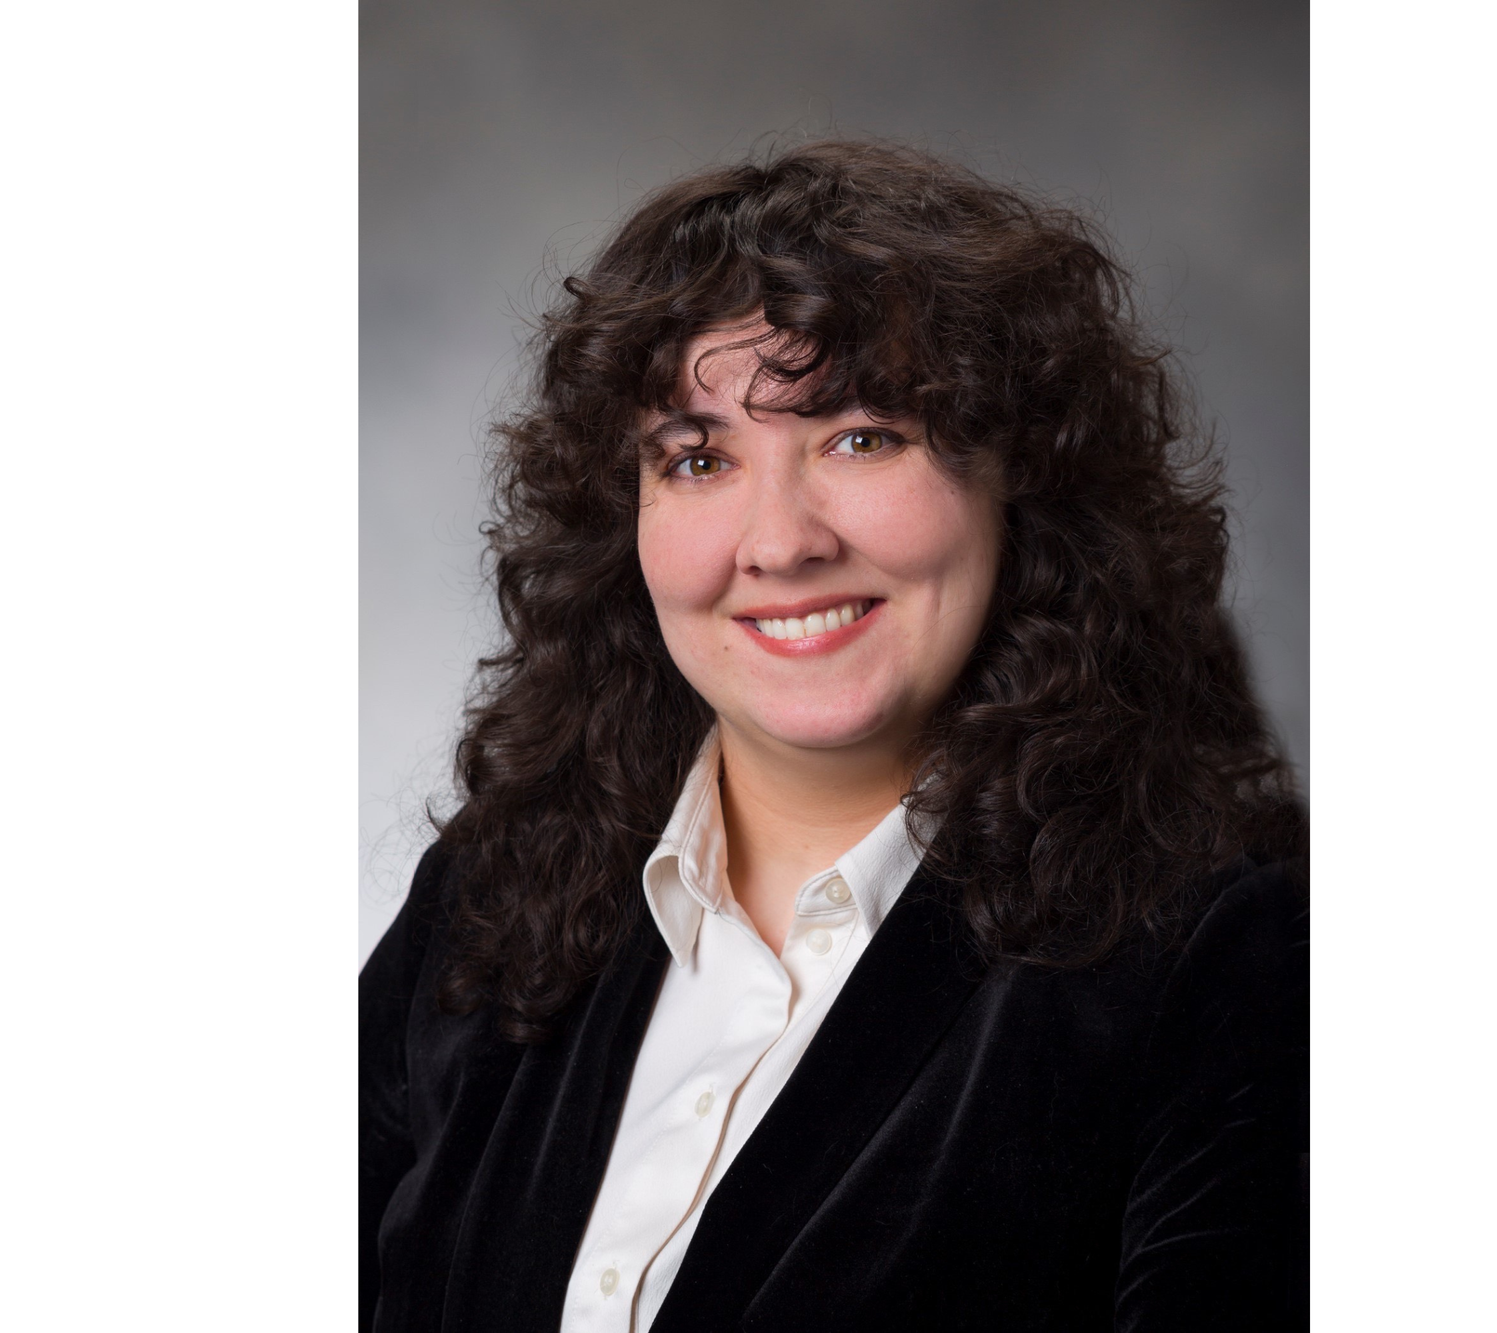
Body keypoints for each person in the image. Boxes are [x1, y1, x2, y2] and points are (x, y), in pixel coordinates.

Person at [360, 140, 1306, 1332]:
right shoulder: (494, 898)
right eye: (697, 458)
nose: (779, 541)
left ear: (1022, 473)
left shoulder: (1227, 950)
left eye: (860, 436)